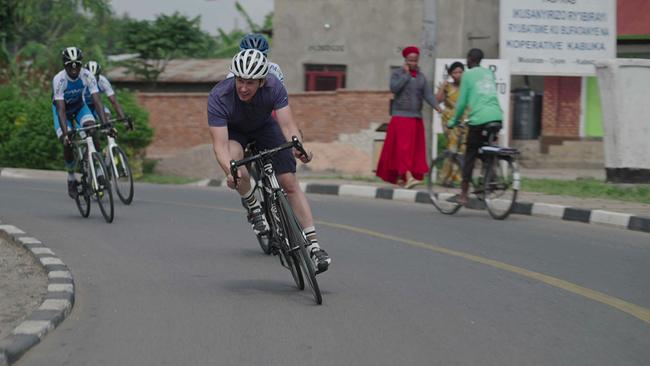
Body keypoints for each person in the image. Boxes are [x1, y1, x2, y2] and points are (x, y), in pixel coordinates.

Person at [207, 49, 331, 274]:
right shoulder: (219, 96)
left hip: (265, 128)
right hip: (235, 134)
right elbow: (219, 145)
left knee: (289, 183)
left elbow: (287, 125)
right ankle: (254, 207)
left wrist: (299, 147)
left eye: (250, 83)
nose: (243, 88)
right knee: (238, 168)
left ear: (262, 81)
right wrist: (230, 171)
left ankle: (314, 246)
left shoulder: (274, 87)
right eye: (240, 81)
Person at [376, 45, 441, 188]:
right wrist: (406, 75)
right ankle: (408, 177)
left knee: (412, 150)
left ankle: (401, 178)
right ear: (405, 60)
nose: (413, 63)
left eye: (415, 60)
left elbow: (427, 94)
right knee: (402, 149)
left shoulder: (421, 77)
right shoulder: (398, 74)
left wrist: (437, 106)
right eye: (410, 60)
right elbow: (394, 88)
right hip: (401, 117)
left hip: (416, 118)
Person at [447, 48, 503, 206]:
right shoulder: (489, 74)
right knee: (487, 151)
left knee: (470, 155)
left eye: (467, 59)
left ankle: (463, 194)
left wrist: (453, 121)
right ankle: (488, 182)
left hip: (479, 119)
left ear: (470, 59)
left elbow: (462, 103)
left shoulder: (467, 75)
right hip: (497, 117)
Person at [52, 47, 108, 198]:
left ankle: (96, 169)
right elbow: (61, 110)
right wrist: (66, 134)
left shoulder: (87, 75)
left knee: (92, 129)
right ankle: (71, 178)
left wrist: (104, 122)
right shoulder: (59, 80)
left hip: (79, 107)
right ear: (65, 65)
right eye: (71, 65)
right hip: (62, 111)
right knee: (67, 143)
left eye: (77, 64)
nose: (74, 68)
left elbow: (97, 100)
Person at [435, 61, 466, 187]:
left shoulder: (467, 86)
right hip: (450, 121)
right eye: (455, 72)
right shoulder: (448, 86)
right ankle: (446, 178)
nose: (458, 75)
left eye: (460, 72)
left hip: (465, 120)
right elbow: (437, 100)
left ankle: (456, 178)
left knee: (463, 149)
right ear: (450, 74)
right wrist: (442, 86)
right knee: (452, 148)